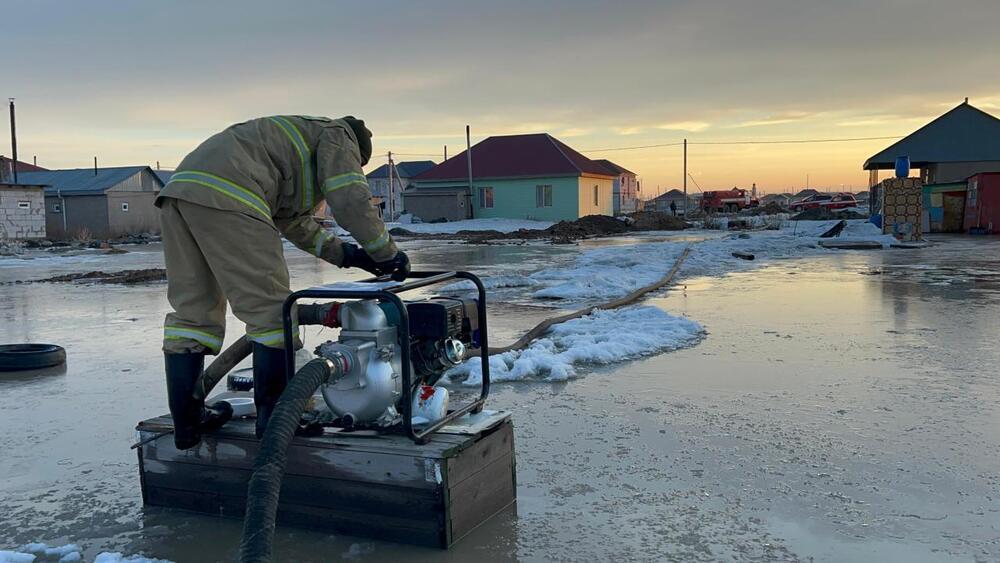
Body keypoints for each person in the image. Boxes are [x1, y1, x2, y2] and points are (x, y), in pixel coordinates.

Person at [156, 115, 409, 449]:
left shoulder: (290, 150)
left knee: (192, 314)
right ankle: (276, 421)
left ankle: (187, 422)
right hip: (233, 193)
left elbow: (295, 224)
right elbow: (350, 198)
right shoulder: (341, 135)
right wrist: (386, 253)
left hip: (179, 193)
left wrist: (350, 255)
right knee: (273, 313)